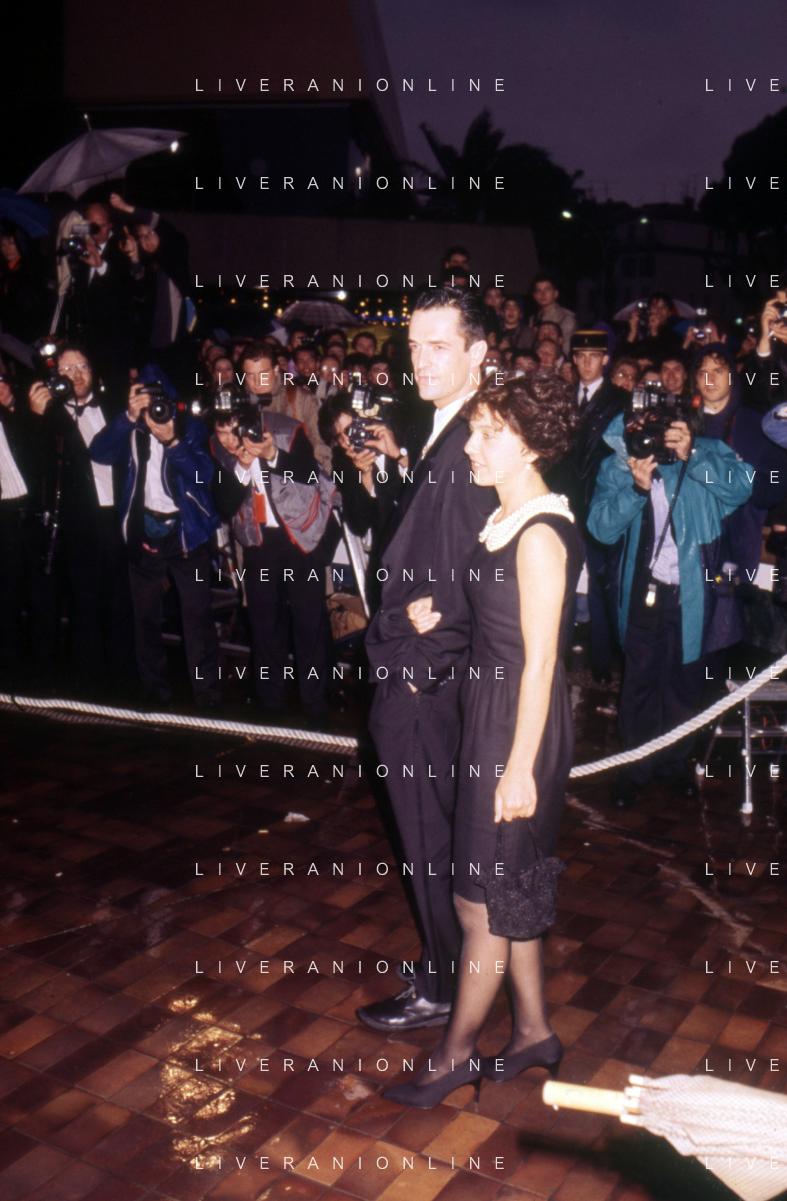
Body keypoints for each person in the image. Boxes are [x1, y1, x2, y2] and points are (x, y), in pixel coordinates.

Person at [382, 370, 582, 1108]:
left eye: (490, 433)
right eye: (474, 430)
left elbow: (541, 663)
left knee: (479, 906)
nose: (472, 444)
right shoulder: (506, 517)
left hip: (517, 728)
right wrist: (435, 614)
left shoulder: (540, 535)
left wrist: (519, 767)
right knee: (510, 889)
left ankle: (454, 1055)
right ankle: (532, 1032)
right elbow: (495, 623)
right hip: (491, 714)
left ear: (529, 445)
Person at [356, 286, 496, 1034]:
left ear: (478, 353)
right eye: (414, 346)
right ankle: (444, 963)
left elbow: (469, 571)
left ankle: (443, 982)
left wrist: (417, 668)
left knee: (428, 836)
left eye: (439, 346)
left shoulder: (473, 438)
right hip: (419, 666)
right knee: (429, 833)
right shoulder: (445, 429)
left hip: (424, 678)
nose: (421, 360)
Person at [587, 402, 753, 808]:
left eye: (660, 425)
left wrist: (692, 454)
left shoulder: (704, 452)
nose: (653, 435)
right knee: (639, 684)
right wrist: (636, 489)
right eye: (643, 426)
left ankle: (674, 767)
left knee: (685, 684)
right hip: (645, 592)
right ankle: (633, 770)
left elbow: (741, 488)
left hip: (694, 593)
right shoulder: (620, 464)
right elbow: (601, 530)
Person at [89, 381, 222, 710]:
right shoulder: (131, 428)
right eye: (146, 402)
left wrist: (172, 441)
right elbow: (99, 452)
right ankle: (154, 690)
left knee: (197, 616)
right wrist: (127, 417)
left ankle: (207, 693)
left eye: (160, 401)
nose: (154, 410)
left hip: (187, 532)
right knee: (145, 616)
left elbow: (203, 476)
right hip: (144, 531)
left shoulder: (190, 427)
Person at [210, 400, 338, 715]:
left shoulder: (286, 430)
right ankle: (270, 701)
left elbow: (309, 473)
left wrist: (271, 455)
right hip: (259, 541)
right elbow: (224, 505)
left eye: (234, 430)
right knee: (264, 623)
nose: (228, 440)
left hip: (300, 536)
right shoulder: (219, 449)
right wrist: (241, 469)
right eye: (221, 431)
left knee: (309, 623)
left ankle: (316, 704)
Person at [28, 344, 134, 697]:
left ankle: (123, 686)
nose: (76, 374)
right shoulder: (48, 417)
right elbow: (35, 469)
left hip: (120, 518)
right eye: (67, 369)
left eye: (82, 366)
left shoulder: (115, 408)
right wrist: (37, 417)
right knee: (85, 605)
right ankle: (87, 687)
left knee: (121, 604)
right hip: (78, 522)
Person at [565, 330, 629, 685]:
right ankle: (559, 654)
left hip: (600, 502)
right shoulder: (563, 396)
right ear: (573, 359)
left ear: (605, 359)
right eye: (580, 355)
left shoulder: (620, 400)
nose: (586, 362)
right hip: (565, 501)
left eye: (593, 355)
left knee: (603, 583)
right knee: (560, 579)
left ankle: (602, 661)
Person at [110, 193, 192, 393]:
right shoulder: (151, 269)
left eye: (150, 233)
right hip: (153, 352)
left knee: (180, 399)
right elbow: (140, 296)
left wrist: (125, 207)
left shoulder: (176, 257)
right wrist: (134, 258)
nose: (146, 239)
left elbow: (162, 224)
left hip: (178, 350)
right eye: (142, 236)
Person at [239, 342, 332, 474]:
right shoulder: (240, 404)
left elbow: (320, 449)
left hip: (297, 480)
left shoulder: (300, 399)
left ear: (276, 370)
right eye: (250, 375)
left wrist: (321, 481)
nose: (257, 382)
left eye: (263, 374)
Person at [527, 274, 576, 358]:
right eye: (539, 291)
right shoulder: (533, 319)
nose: (543, 294)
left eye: (547, 290)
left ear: (555, 294)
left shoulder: (566, 319)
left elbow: (567, 352)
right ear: (535, 296)